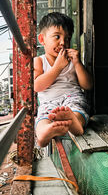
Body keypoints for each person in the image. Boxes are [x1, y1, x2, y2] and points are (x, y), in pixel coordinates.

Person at [34, 12, 93, 147]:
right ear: (42, 39)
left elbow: (88, 85)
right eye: (57, 37)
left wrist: (78, 63)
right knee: (43, 117)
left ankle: (75, 123)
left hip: (72, 97)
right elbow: (37, 86)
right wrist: (57, 67)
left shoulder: (72, 60)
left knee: (77, 108)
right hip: (49, 102)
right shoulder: (39, 61)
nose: (63, 42)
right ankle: (43, 133)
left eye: (67, 38)